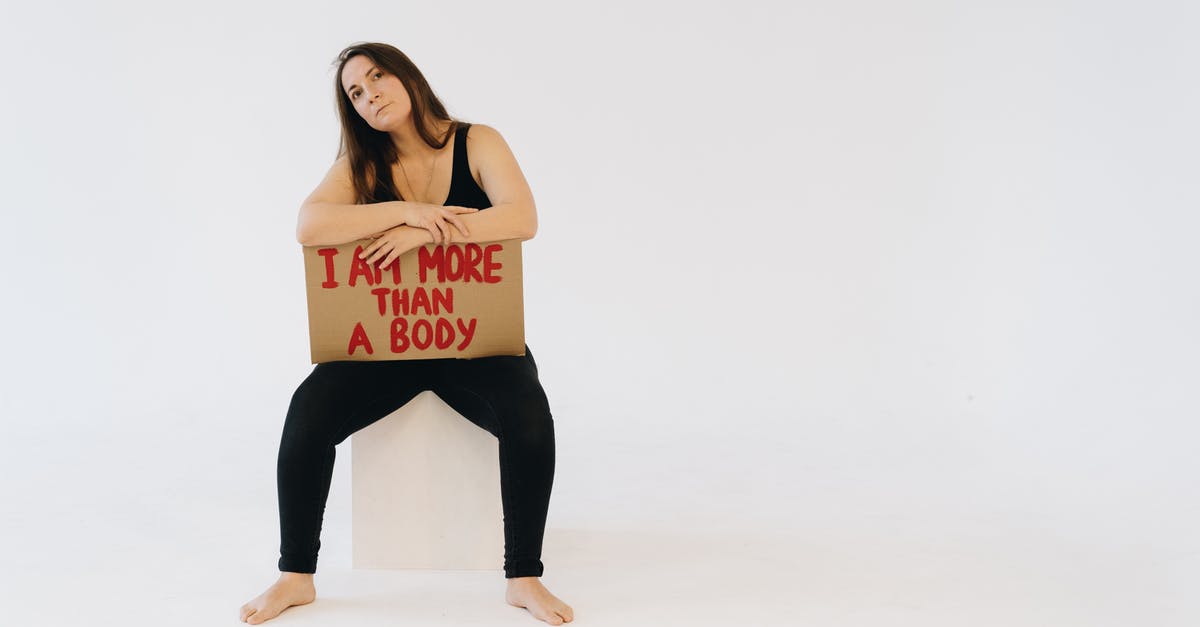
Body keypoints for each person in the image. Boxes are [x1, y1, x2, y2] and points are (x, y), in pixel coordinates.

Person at [239, 42, 574, 626]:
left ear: (408, 76)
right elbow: (309, 225)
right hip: (385, 345)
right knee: (307, 412)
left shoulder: (477, 141)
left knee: (529, 416)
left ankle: (524, 577)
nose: (371, 96)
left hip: (473, 338)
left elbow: (521, 217)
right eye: (356, 93)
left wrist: (428, 235)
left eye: (377, 77)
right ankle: (296, 576)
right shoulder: (359, 164)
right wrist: (407, 213)